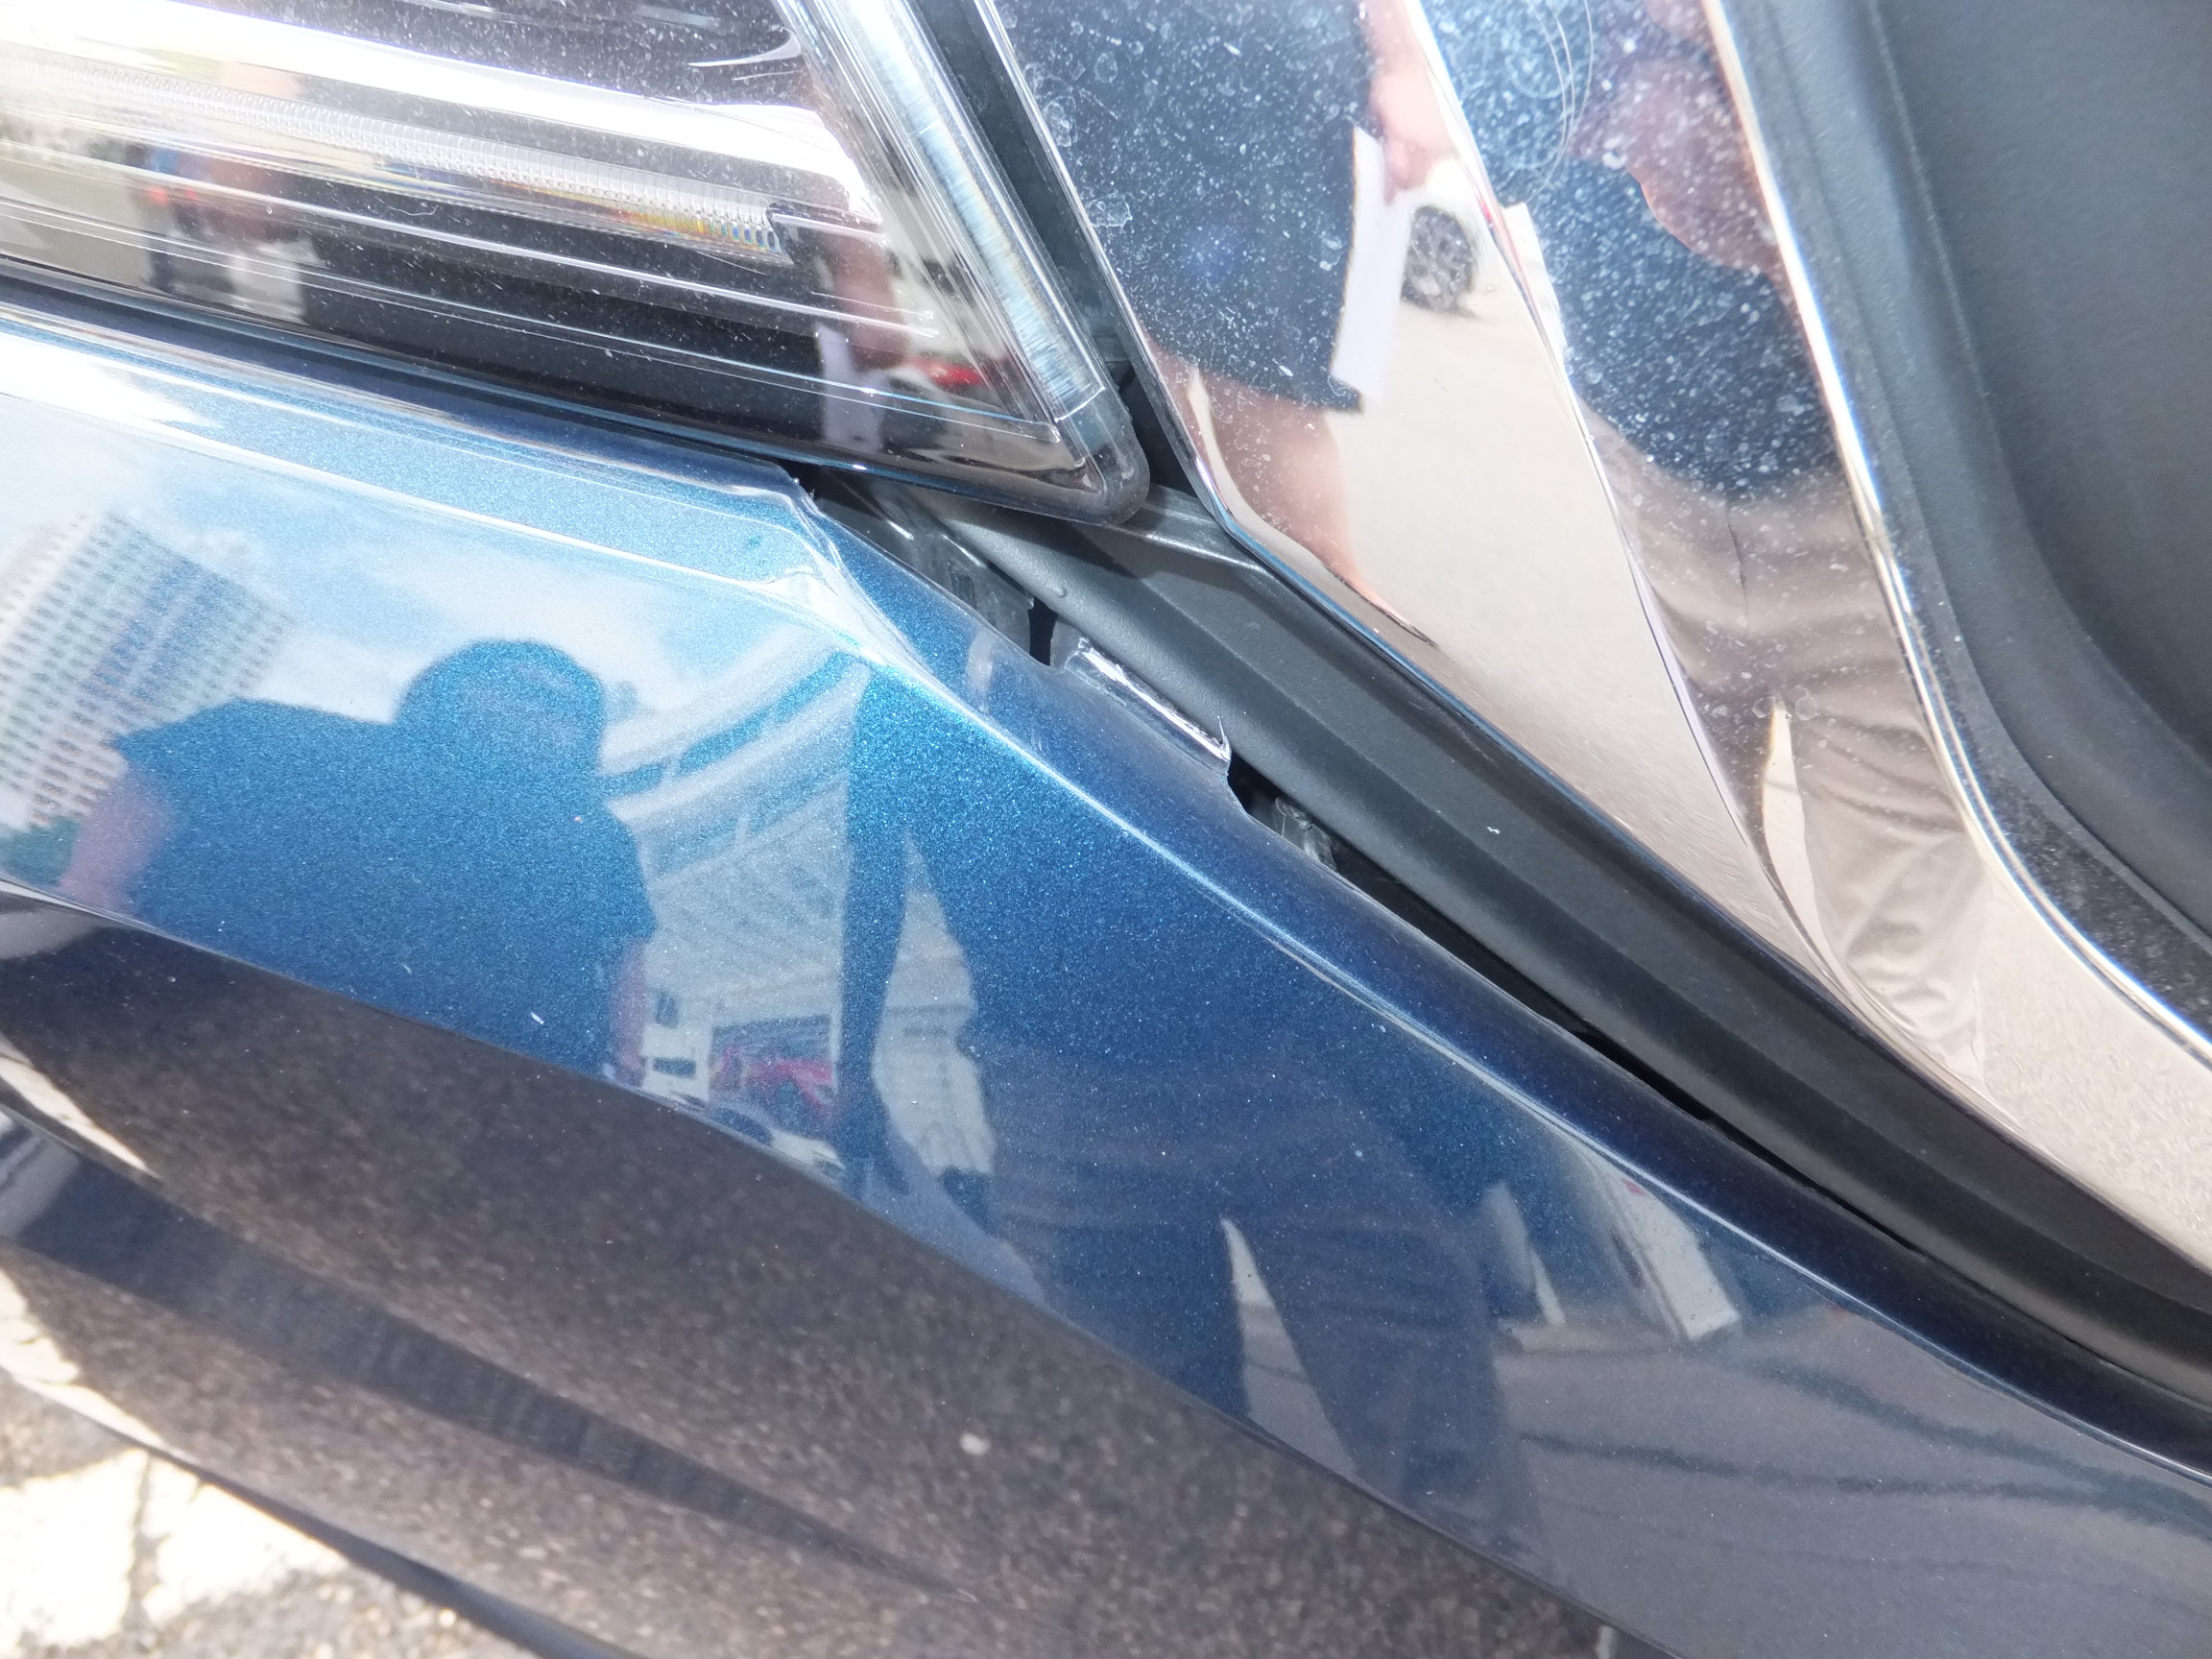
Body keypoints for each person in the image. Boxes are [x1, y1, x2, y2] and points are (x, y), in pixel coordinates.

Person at [838, 639, 1543, 1564]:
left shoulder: (1126, 635)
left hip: (1268, 1059)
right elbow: (873, 885)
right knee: (1168, 1474)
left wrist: (852, 1070)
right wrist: (851, 1067)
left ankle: (1484, 1597)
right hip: (1080, 1087)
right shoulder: (906, 677)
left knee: (1434, 1457)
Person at [1022, 0, 1451, 616]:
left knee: (1265, 392)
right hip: (1071, 41)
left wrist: (1402, 57)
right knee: (1119, 363)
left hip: (1247, 54)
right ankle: (1167, 593)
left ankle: (1342, 609)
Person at [59, 640, 655, 1082]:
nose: (534, 708)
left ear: (584, 738)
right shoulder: (281, 735)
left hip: (482, 1090)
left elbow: (625, 949)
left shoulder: (599, 840)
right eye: (513, 685)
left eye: (561, 707)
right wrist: (93, 887)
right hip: (199, 1022)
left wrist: (627, 1050)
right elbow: (161, 780)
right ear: (448, 683)